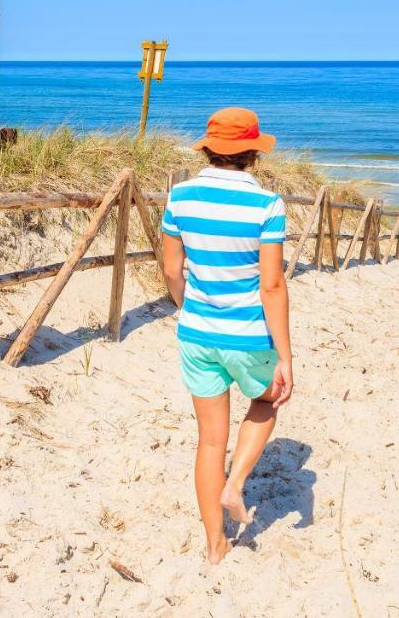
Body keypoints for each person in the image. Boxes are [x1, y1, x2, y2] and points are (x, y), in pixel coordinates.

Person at [160, 107, 294, 566]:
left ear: (210, 148)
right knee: (268, 400)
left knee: (209, 441)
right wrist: (286, 356)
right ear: (253, 152)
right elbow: (271, 285)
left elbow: (171, 270)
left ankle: (215, 546)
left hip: (197, 331)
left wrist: (188, 306)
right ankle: (235, 485)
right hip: (249, 334)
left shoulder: (180, 197)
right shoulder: (267, 206)